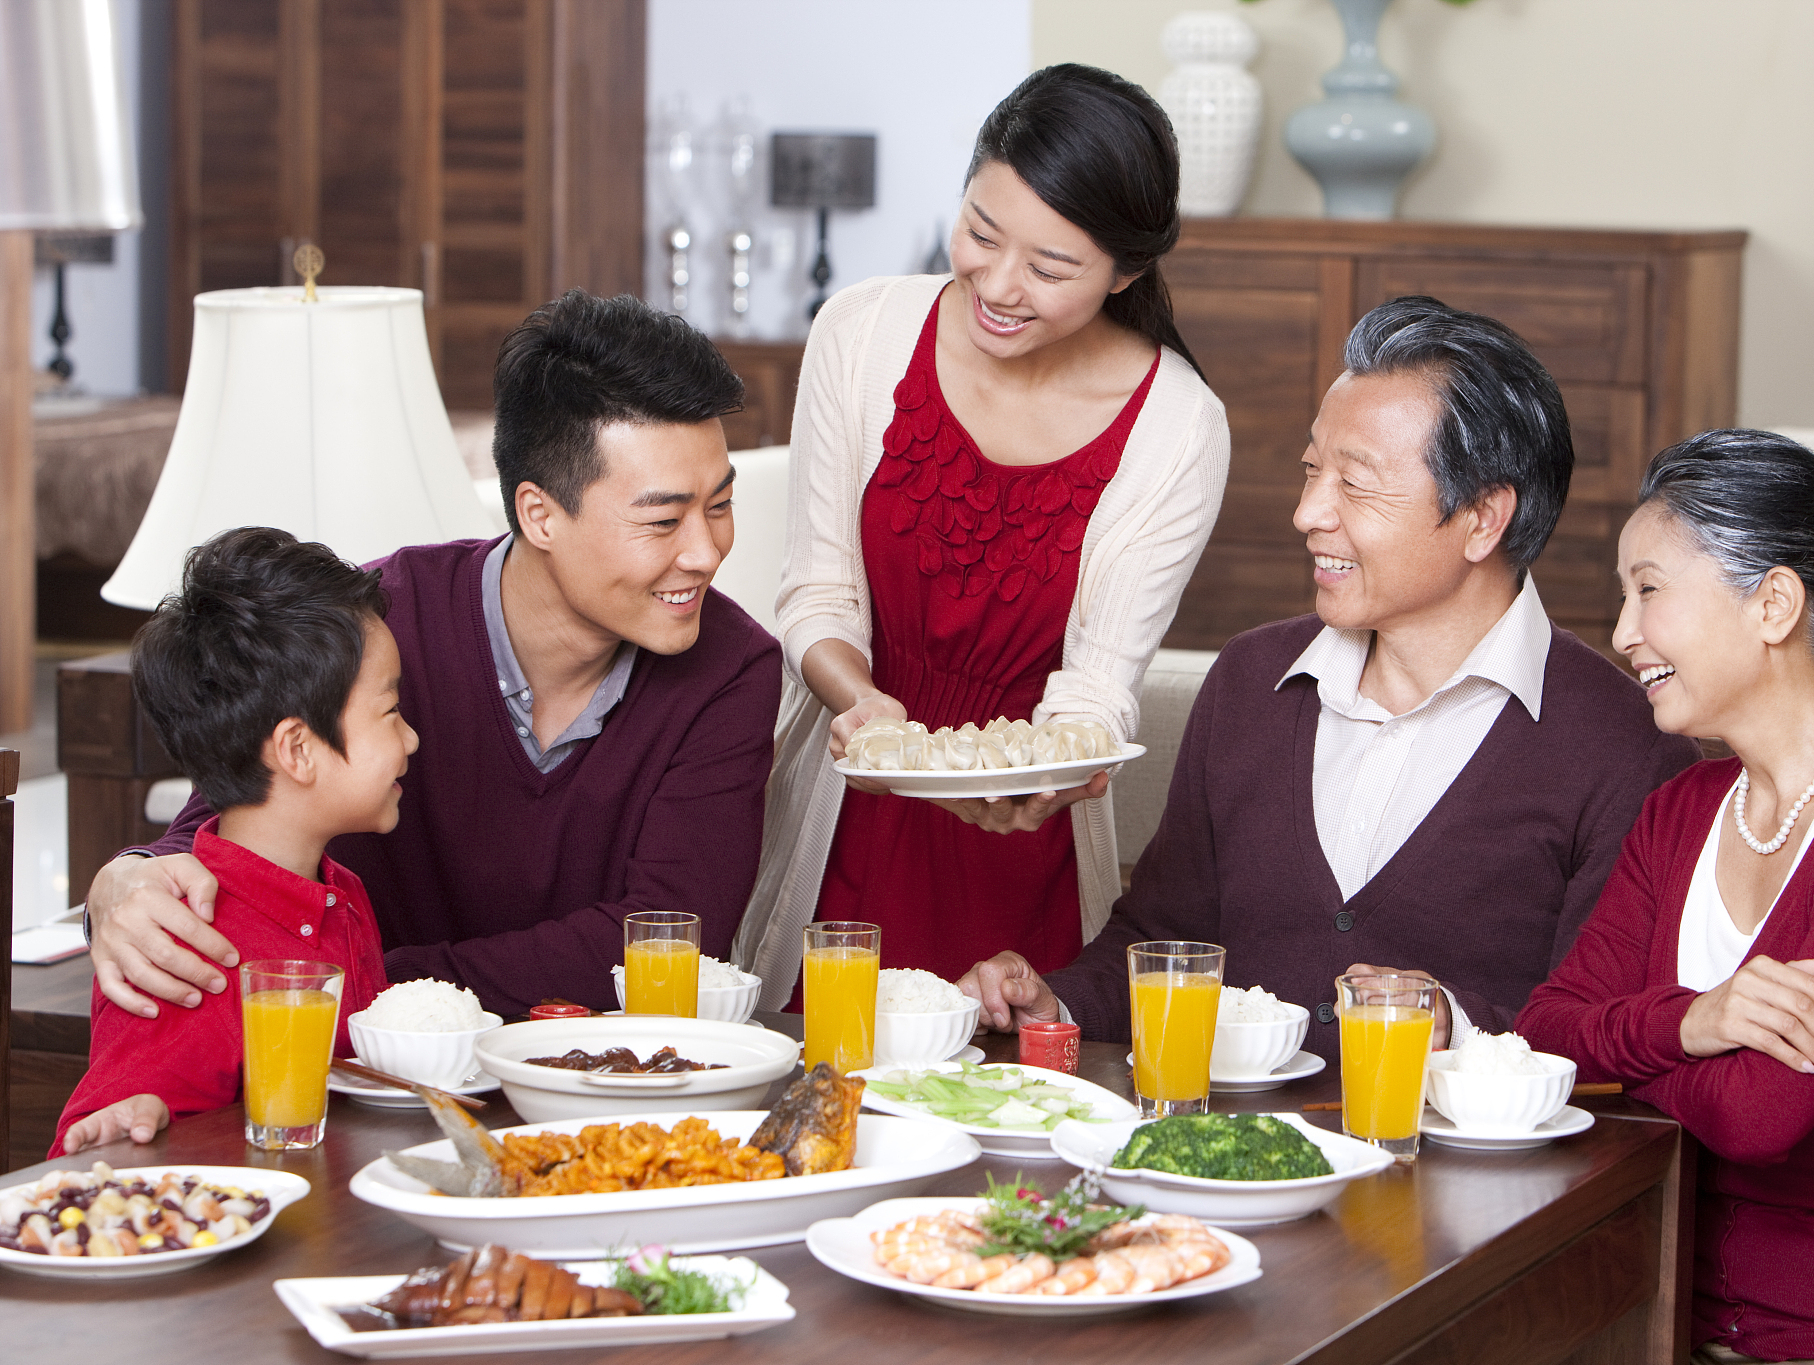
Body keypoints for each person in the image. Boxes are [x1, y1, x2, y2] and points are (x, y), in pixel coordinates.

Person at [958, 295, 1698, 1060]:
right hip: (1221, 1166)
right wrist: (1056, 1001)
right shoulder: (1250, 682)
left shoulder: (1625, 747)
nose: (1308, 512)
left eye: (1356, 482)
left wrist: (1454, 1024)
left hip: (1456, 1175)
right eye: (1313, 471)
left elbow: (1609, 1041)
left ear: (1483, 517)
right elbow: (1159, 944)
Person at [83, 291, 782, 1022]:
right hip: (352, 1088)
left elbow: (665, 944)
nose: (706, 552)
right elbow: (236, 822)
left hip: (599, 1096)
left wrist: (356, 982)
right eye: (665, 519)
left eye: (720, 505)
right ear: (538, 513)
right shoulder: (377, 624)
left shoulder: (730, 670)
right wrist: (130, 878)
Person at [734, 64, 1229, 1008]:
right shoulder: (862, 331)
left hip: (1020, 835)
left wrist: (1043, 778)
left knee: (1010, 1114)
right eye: (980, 233)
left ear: (1126, 271)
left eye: (1049, 269)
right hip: (847, 796)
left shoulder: (1178, 425)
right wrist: (870, 710)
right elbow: (818, 592)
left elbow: (1096, 684)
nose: (998, 287)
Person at [1518, 431, 1814, 1363]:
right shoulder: (1680, 812)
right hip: (1667, 1318)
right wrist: (1700, 1021)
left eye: (1649, 590)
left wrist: (1625, 1052)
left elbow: (1759, 1117)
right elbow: (1544, 1033)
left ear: (1772, 602)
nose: (1621, 632)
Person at [54, 528, 404, 1156]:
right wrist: (131, 1119)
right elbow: (97, 1148)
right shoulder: (188, 940)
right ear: (298, 749)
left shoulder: (340, 893)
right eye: (390, 711)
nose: (410, 740)